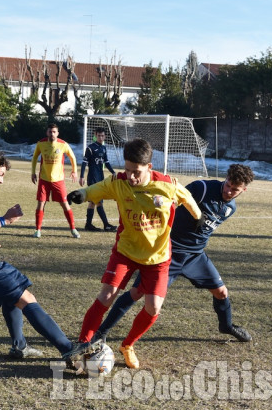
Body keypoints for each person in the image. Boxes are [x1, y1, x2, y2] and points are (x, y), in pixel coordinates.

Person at [0, 148, 96, 361]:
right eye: (0, 174)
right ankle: (67, 348)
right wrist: (5, 219)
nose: (1, 181)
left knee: (11, 293)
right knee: (26, 297)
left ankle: (20, 347)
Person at [66, 138, 204, 369]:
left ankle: (128, 345)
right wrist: (81, 194)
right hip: (125, 252)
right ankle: (83, 344)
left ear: (149, 167)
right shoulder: (119, 182)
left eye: (136, 172)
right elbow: (95, 189)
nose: (131, 176)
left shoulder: (168, 185)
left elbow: (187, 198)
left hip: (157, 258)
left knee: (153, 307)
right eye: (128, 170)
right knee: (107, 295)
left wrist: (198, 216)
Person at [95, 164, 255, 350]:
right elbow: (171, 197)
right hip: (169, 253)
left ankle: (226, 326)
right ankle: (102, 332)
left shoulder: (230, 208)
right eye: (227, 185)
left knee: (221, 292)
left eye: (234, 189)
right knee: (137, 293)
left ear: (244, 190)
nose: (229, 191)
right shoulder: (202, 189)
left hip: (195, 256)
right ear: (225, 179)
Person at [31, 123, 80, 238]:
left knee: (65, 204)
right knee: (40, 204)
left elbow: (72, 157)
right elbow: (34, 157)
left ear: (57, 133)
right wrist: (33, 173)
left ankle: (73, 229)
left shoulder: (63, 144)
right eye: (50, 131)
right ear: (46, 132)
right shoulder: (41, 144)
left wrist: (75, 171)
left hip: (58, 180)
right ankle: (38, 230)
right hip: (44, 180)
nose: (52, 134)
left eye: (54, 132)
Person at [79, 127, 117, 232]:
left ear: (105, 136)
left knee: (92, 202)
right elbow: (84, 163)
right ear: (95, 135)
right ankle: (106, 225)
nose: (100, 137)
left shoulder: (104, 148)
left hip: (101, 177)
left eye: (102, 135)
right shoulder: (90, 148)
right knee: (98, 201)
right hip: (92, 178)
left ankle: (88, 224)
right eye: (98, 135)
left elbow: (107, 162)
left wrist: (113, 172)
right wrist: (81, 176)